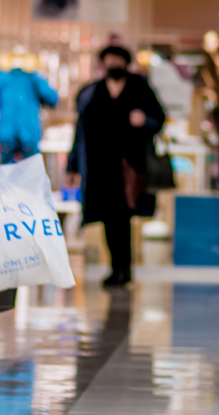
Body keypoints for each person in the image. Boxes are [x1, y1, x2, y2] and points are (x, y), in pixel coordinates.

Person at [66, 45, 165, 286]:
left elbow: (159, 118)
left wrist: (144, 120)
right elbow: (80, 132)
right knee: (106, 218)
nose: (114, 65)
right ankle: (115, 268)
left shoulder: (140, 88)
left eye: (118, 61)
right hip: (99, 167)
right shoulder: (92, 92)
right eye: (109, 61)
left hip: (130, 167)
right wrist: (73, 165)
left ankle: (125, 268)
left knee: (123, 218)